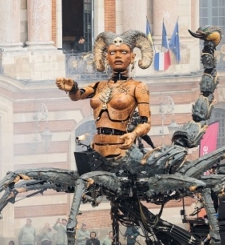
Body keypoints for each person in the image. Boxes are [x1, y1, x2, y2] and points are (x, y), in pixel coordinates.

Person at [56, 30, 153, 160]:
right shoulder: (99, 86)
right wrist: (72, 88)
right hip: (96, 149)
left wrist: (133, 134)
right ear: (107, 57)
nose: (117, 56)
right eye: (112, 52)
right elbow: (77, 96)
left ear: (133, 57)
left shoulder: (138, 87)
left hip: (122, 150)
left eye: (123, 52)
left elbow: (146, 123)